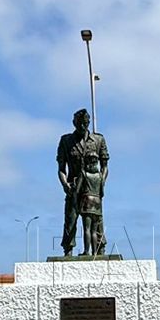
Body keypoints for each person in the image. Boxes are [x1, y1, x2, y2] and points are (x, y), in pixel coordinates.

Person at [56, 108, 108, 256]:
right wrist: (65, 185)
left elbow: (105, 167)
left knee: (96, 220)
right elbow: (61, 168)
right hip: (74, 187)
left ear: (89, 122)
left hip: (92, 188)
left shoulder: (98, 140)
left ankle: (100, 247)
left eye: (85, 123)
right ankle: (68, 249)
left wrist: (100, 183)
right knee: (70, 219)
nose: (83, 127)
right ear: (74, 123)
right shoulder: (66, 141)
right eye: (79, 124)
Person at [76, 152, 106, 255]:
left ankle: (86, 251)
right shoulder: (100, 175)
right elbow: (102, 192)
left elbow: (77, 190)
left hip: (87, 202)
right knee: (94, 230)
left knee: (87, 228)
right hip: (97, 204)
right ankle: (94, 252)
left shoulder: (84, 174)